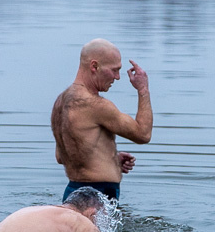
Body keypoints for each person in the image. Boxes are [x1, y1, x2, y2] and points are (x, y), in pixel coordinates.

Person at [51, 38, 152, 203]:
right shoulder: (96, 105)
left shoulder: (61, 102)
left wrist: (106, 159)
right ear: (94, 66)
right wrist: (143, 89)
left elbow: (62, 156)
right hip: (98, 196)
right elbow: (143, 134)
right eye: (114, 70)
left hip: (72, 192)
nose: (118, 77)